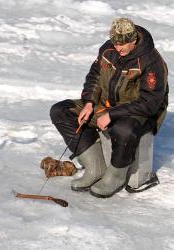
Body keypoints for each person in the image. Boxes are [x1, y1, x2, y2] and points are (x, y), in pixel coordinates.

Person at [50, 17, 168, 198]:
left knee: (123, 129)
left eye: (123, 45)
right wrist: (89, 102)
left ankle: (116, 176)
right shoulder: (108, 49)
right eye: (115, 43)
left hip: (139, 113)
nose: (118, 48)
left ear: (134, 40)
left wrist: (112, 114)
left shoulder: (151, 61)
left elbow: (149, 103)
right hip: (106, 105)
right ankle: (95, 167)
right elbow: (95, 77)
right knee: (61, 111)